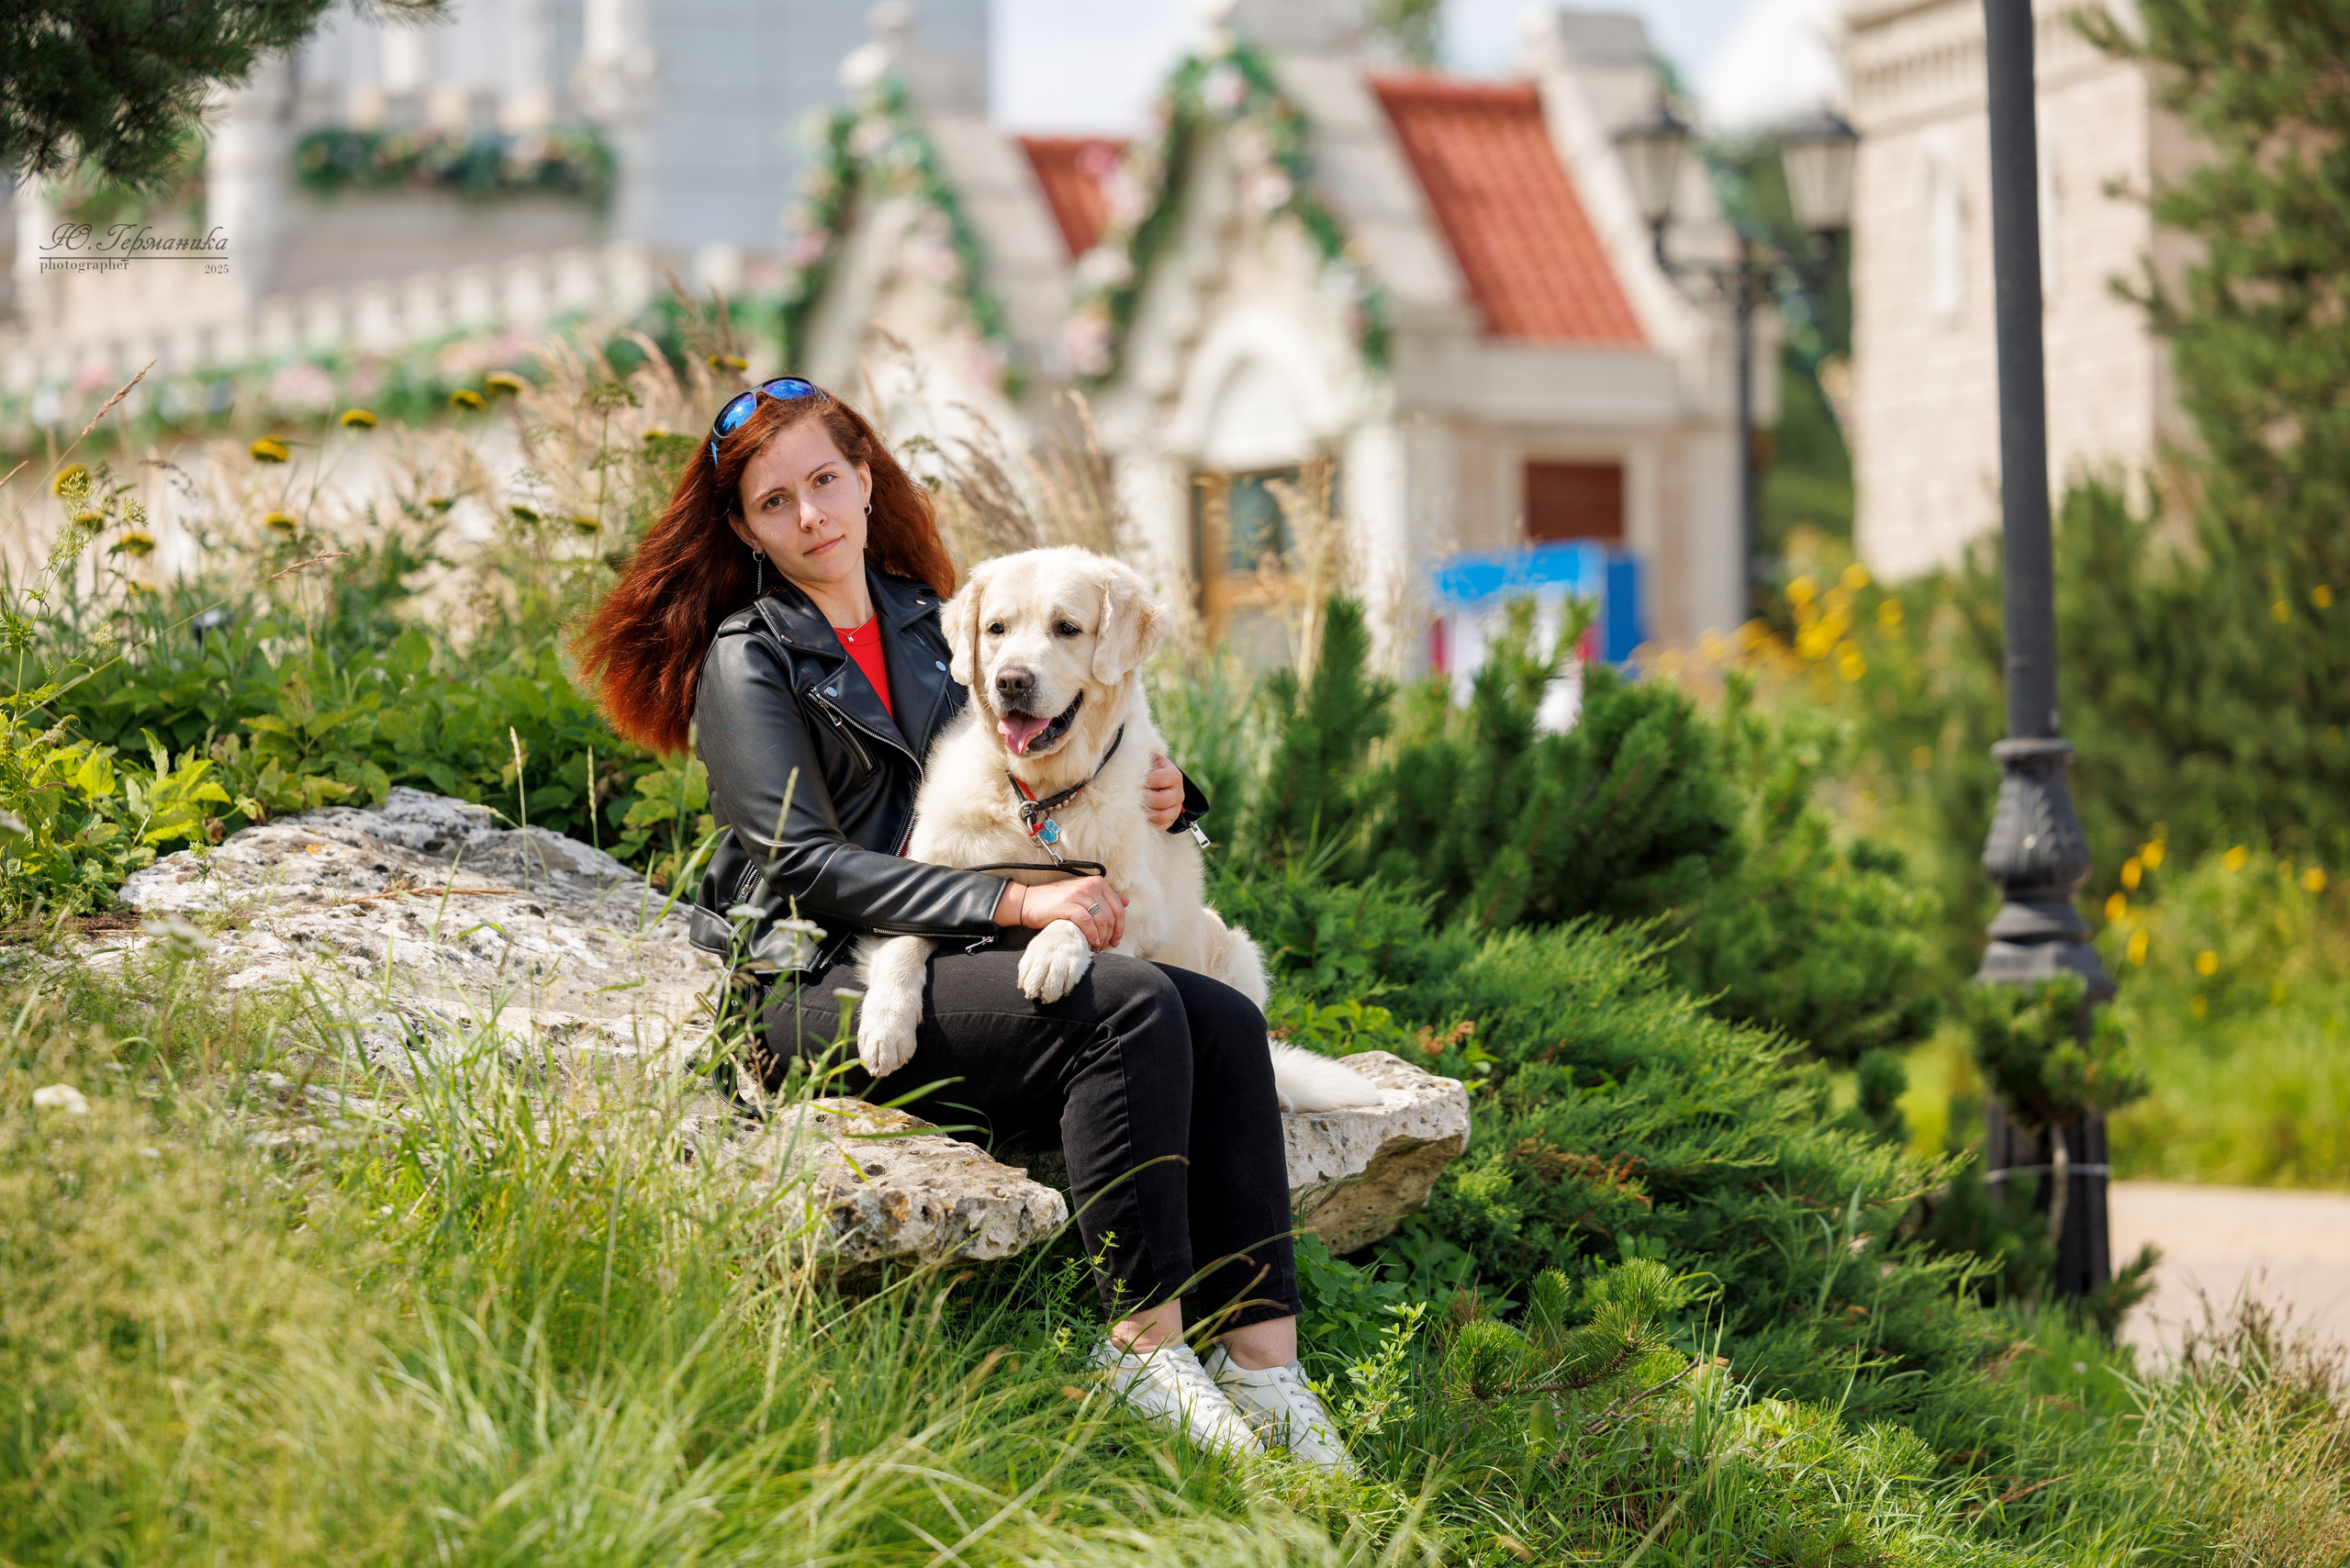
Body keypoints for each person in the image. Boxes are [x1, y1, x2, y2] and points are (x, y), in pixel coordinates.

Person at [575, 376, 1354, 1471]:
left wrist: (1172, 789)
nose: (811, 516)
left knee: (1219, 1013)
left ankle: (1265, 1371)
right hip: (816, 981)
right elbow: (803, 866)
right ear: (745, 529)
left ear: (864, 475)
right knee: (1125, 1006)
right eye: (774, 502)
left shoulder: (935, 613)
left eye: (826, 481)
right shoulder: (748, 657)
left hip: (967, 957)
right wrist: (1017, 900)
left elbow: (1057, 754)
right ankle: (1141, 1347)